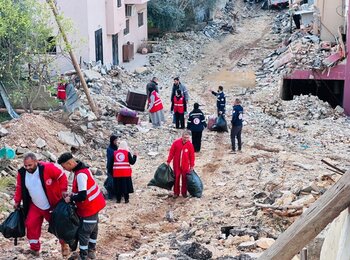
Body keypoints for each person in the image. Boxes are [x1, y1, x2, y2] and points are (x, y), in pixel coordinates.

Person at [13, 153, 69, 257]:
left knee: (58, 226)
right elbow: (19, 187)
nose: (27, 168)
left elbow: (61, 176)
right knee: (30, 224)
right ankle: (34, 249)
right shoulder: (22, 173)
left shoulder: (47, 168)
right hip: (35, 205)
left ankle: (64, 244)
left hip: (51, 205)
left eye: (30, 165)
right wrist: (17, 201)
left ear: (36, 162)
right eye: (25, 165)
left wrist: (63, 190)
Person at [57, 153, 106, 260]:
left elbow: (83, 195)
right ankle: (91, 251)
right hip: (96, 204)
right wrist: (72, 193)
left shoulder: (80, 175)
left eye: (64, 167)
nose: (64, 169)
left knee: (84, 233)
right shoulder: (83, 169)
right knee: (93, 229)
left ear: (69, 163)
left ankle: (84, 256)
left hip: (89, 207)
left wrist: (71, 198)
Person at [166, 131, 195, 198]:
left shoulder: (190, 145)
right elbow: (171, 153)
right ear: (182, 136)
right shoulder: (176, 143)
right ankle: (176, 192)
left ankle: (184, 192)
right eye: (184, 137)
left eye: (187, 138)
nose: (186, 139)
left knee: (185, 179)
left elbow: (192, 156)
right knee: (176, 178)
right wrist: (168, 161)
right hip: (177, 164)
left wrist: (192, 165)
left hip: (185, 165)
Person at [105, 134, 119, 199]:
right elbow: (110, 158)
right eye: (115, 140)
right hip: (111, 166)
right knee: (110, 181)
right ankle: (110, 195)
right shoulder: (109, 149)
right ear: (112, 141)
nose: (116, 142)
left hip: (116, 166)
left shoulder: (116, 147)